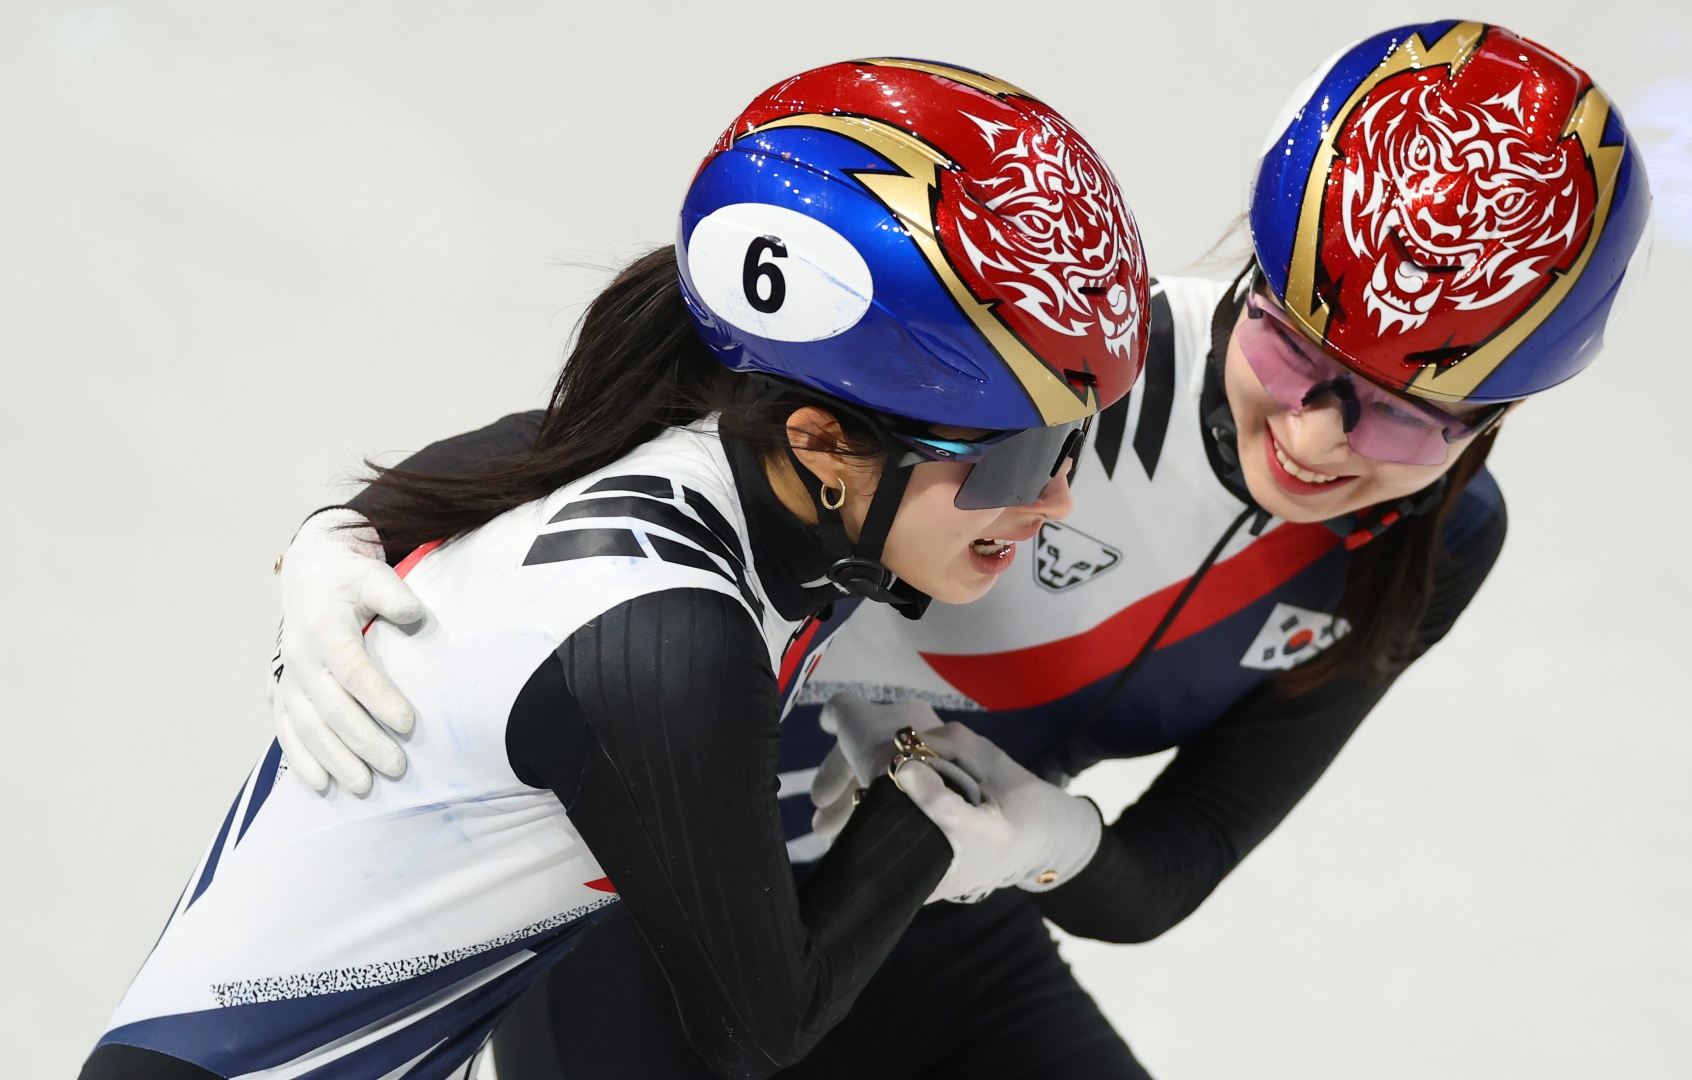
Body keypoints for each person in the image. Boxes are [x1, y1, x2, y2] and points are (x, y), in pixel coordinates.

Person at [270, 22, 1651, 1079]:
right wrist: (346, 537)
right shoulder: (1061, 366)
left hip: (917, 904)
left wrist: (1049, 843)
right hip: (657, 905)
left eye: (1408, 419)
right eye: (1290, 347)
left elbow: (1181, 860)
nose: (1319, 435)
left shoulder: (1435, 548)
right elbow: (621, 451)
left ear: (1500, 422)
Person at [81, 58, 1150, 1080]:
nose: (1055, 499)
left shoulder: (702, 451)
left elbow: (473, 463)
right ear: (822, 442)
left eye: (1073, 443)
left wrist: (336, 528)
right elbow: (760, 1026)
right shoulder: (670, 636)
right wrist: (929, 819)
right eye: (1010, 457)